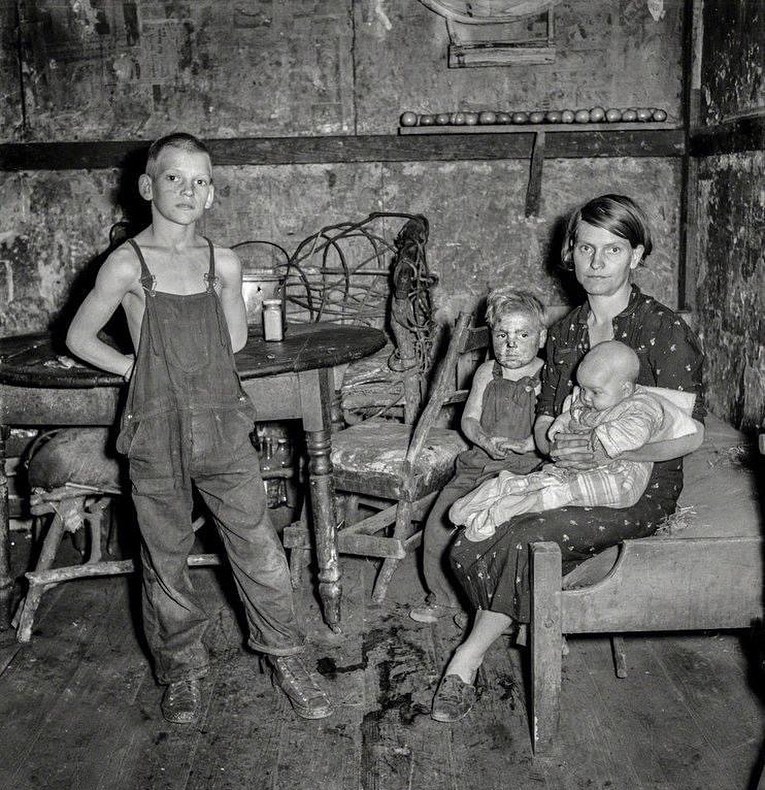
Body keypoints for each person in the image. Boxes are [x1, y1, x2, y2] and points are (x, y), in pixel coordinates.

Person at [66, 132, 333, 724]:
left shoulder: (224, 261)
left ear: (212, 192)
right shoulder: (126, 263)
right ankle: (182, 669)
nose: (187, 190)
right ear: (147, 186)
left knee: (259, 548)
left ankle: (284, 654)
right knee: (165, 559)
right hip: (156, 433)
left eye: (200, 180)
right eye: (173, 178)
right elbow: (78, 338)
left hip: (222, 430)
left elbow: (234, 340)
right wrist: (136, 367)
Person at [430, 194, 705, 723]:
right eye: (585, 247)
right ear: (569, 253)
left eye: (614, 249)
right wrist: (559, 446)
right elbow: (544, 420)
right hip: (569, 467)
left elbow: (686, 437)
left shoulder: (664, 330)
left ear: (638, 255)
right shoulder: (564, 333)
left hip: (639, 485)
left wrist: (604, 448)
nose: (597, 263)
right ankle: (530, 619)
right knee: (473, 534)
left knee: (522, 535)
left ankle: (466, 658)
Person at [450, 340, 698, 541]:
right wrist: (562, 423)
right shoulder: (595, 397)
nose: (586, 397)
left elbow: (635, 431)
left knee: (569, 492)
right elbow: (575, 412)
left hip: (621, 473)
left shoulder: (642, 405)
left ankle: (509, 507)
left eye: (594, 392)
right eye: (583, 389)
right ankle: (505, 487)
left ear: (625, 389)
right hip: (580, 468)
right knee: (552, 478)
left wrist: (596, 442)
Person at [409, 288, 545, 624]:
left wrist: (529, 444)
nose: (510, 344)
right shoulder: (486, 372)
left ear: (540, 338)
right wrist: (483, 439)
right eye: (502, 334)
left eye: (522, 334)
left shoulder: (547, 375)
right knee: (441, 523)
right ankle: (444, 598)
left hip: (525, 468)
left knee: (504, 532)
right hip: (479, 464)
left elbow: (554, 425)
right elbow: (468, 420)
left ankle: (493, 608)